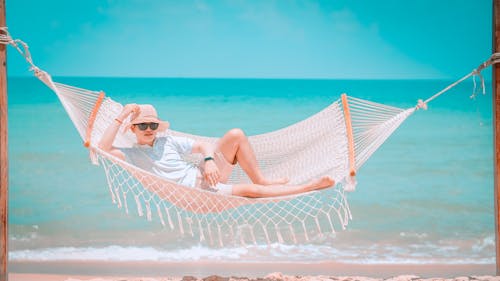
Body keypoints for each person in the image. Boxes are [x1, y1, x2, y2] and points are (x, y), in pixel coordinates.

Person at [98, 104, 335, 198]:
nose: (149, 129)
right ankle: (309, 186)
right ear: (133, 129)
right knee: (251, 192)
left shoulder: (167, 140)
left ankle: (262, 178)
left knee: (236, 134)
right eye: (142, 125)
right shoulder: (131, 155)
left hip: (206, 175)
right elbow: (103, 149)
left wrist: (209, 160)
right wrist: (124, 113)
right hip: (193, 193)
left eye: (152, 125)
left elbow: (203, 146)